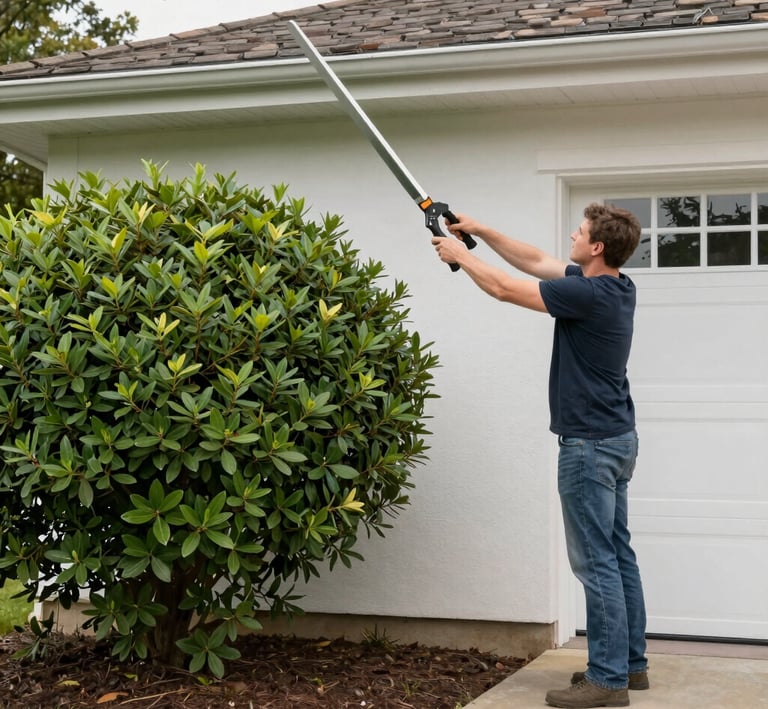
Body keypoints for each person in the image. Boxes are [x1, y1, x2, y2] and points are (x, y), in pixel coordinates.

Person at [433, 204, 647, 709]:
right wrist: (481, 230)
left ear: (596, 247)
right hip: (617, 439)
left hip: (588, 446)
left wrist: (459, 256)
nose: (572, 236)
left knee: (596, 563)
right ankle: (630, 667)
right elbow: (534, 261)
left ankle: (608, 681)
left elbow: (507, 289)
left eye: (580, 232)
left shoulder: (588, 294)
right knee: (617, 555)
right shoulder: (616, 286)